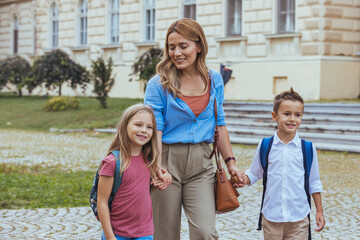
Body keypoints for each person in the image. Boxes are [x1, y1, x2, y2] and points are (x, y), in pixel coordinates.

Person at [144, 18, 243, 240]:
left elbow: (220, 124)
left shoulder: (214, 79)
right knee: (165, 234)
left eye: (183, 46)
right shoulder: (157, 84)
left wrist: (231, 163)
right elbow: (155, 130)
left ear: (198, 46)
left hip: (202, 164)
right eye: (171, 47)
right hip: (166, 161)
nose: (176, 53)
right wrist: (156, 166)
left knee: (205, 232)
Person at [237, 88, 325, 240]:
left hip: (299, 218)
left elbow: (314, 182)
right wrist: (243, 178)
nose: (292, 119)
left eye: (297, 115)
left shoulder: (307, 148)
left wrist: (319, 211)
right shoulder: (266, 145)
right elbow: (254, 172)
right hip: (272, 218)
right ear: (274, 116)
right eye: (286, 114)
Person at [97, 104, 172, 240]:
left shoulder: (150, 160)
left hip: (144, 233)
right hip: (117, 234)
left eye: (149, 127)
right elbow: (102, 202)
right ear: (125, 126)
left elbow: (143, 190)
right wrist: (110, 237)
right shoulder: (112, 162)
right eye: (138, 125)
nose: (144, 130)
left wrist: (165, 179)